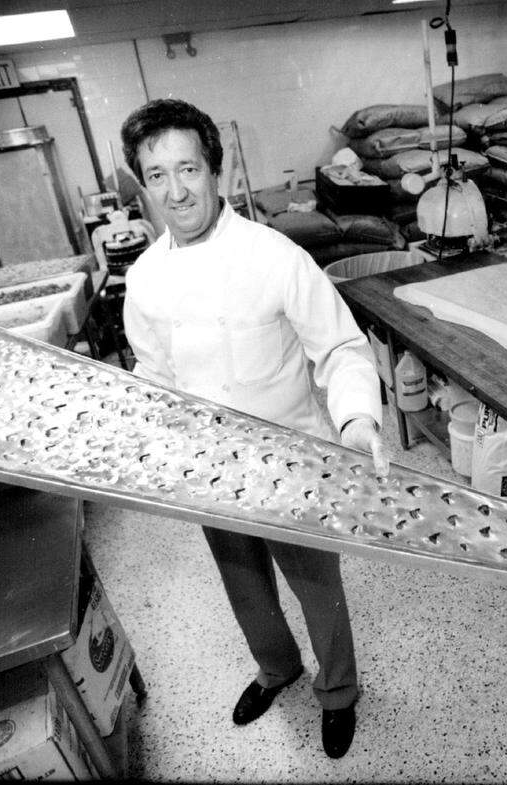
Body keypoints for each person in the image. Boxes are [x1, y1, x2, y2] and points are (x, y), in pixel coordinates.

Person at [120, 98, 388, 760]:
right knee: (242, 582)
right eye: (157, 175)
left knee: (316, 585)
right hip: (210, 465)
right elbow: (155, 374)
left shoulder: (275, 256)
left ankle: (339, 690)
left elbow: (343, 349)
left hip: (291, 459)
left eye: (188, 168)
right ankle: (277, 668)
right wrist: (151, 444)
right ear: (142, 185)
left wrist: (355, 418)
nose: (176, 191)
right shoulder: (146, 278)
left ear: (217, 170)